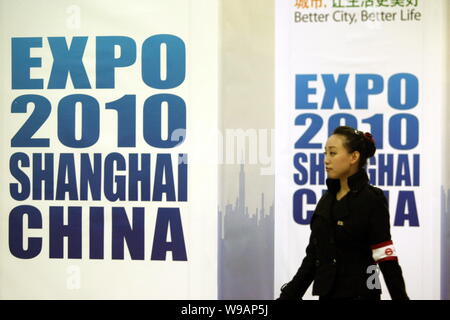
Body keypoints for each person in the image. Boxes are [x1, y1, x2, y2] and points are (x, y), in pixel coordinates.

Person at [278, 126, 409, 300]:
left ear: (354, 157)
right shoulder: (326, 201)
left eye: (332, 153)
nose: (326, 160)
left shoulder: (372, 199)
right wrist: (287, 296)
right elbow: (313, 257)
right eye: (325, 153)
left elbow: (385, 257)